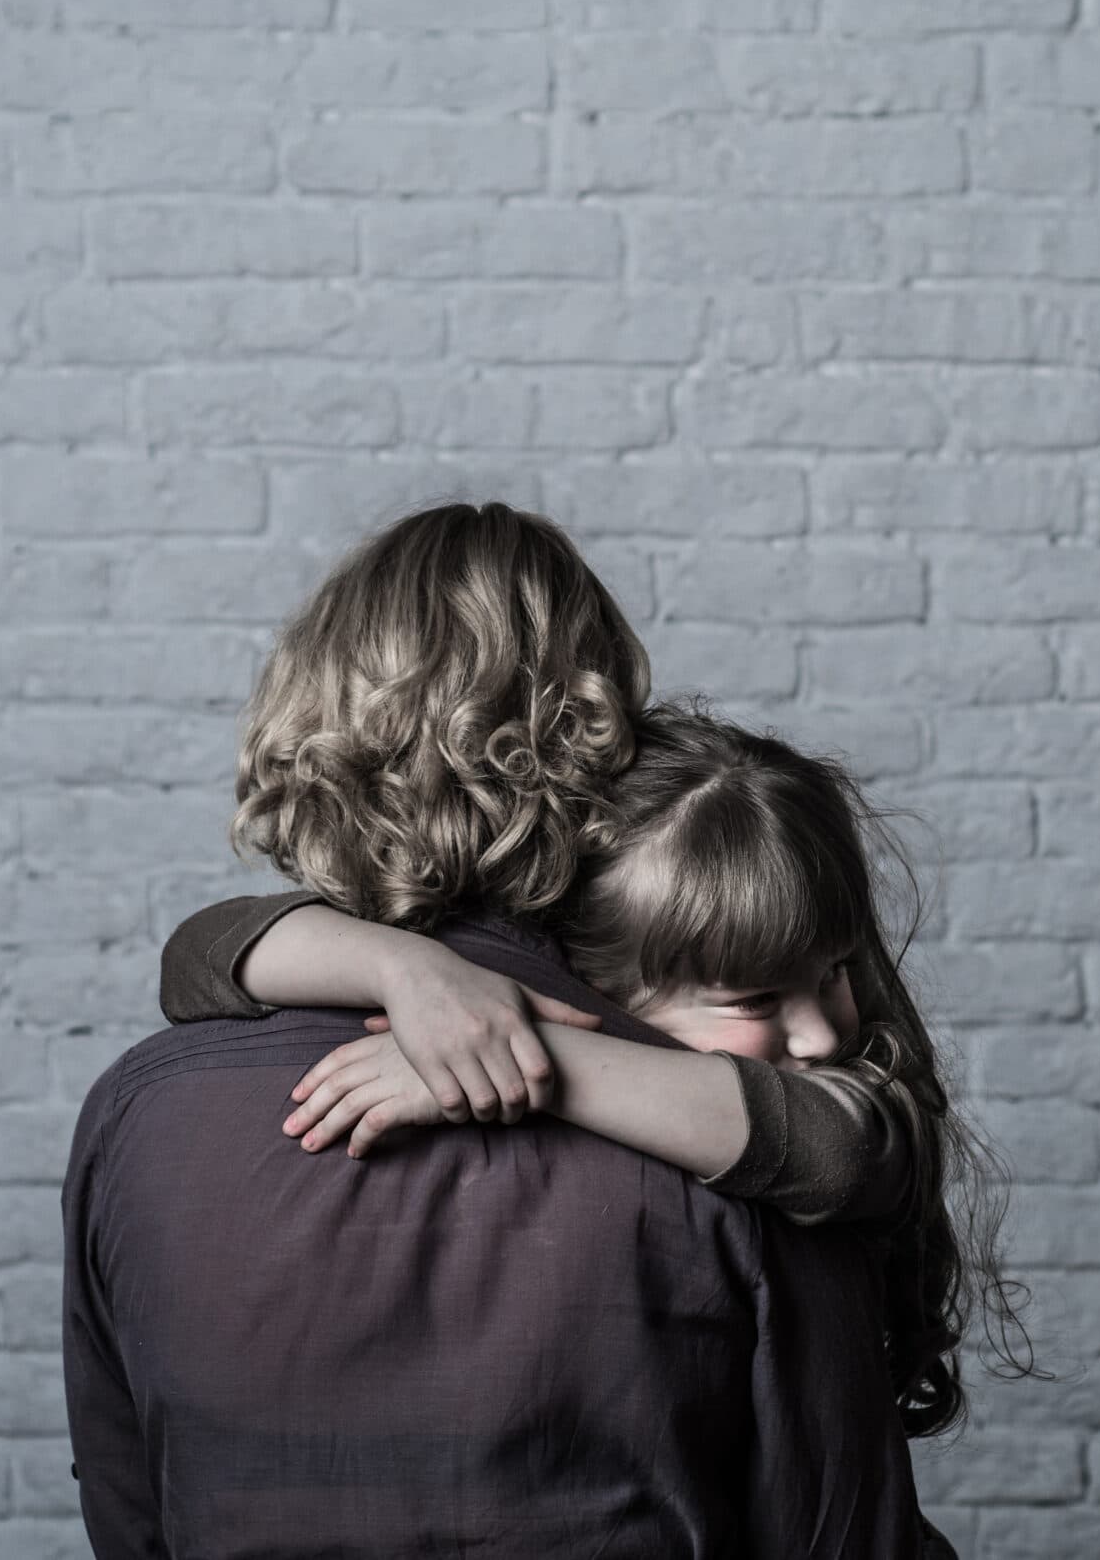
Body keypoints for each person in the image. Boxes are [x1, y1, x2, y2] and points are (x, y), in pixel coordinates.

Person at [61, 502, 995, 1556]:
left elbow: (131, 1504)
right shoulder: (718, 1145)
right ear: (604, 735)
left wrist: (483, 1023)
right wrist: (409, 972)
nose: (816, 1030)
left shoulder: (138, 1112)